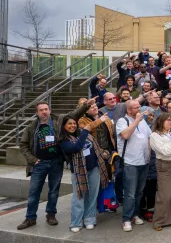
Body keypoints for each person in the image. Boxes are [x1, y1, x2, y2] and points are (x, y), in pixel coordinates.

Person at [17, 98, 95, 230]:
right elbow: (23, 145)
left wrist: (86, 105)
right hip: (39, 164)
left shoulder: (58, 120)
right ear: (36, 113)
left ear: (50, 110)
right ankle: (30, 218)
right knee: (34, 191)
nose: (44, 112)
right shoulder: (31, 128)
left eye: (46, 109)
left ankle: (51, 215)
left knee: (54, 191)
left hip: (56, 162)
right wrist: (32, 160)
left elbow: (74, 114)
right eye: (41, 110)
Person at [60, 116, 109, 232]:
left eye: (74, 123)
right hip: (78, 172)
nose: (72, 126)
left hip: (94, 169)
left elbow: (95, 147)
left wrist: (104, 153)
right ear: (64, 126)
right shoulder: (64, 140)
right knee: (79, 197)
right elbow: (76, 147)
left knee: (92, 196)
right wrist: (86, 131)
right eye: (69, 124)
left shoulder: (83, 133)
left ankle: (89, 219)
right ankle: (76, 222)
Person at [116, 100, 152, 232]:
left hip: (143, 162)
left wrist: (148, 153)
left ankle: (135, 214)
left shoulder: (143, 121)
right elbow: (125, 135)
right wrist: (136, 121)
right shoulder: (122, 121)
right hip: (130, 162)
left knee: (139, 192)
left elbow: (149, 136)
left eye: (139, 107)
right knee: (130, 193)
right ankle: (126, 219)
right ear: (129, 110)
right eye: (136, 108)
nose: (139, 109)